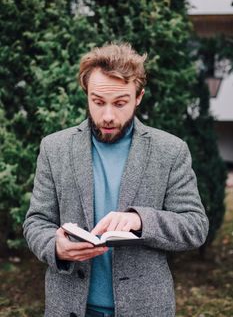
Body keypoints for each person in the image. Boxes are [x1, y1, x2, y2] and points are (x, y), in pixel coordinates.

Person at [23, 43, 209, 317]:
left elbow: (195, 226)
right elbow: (36, 222)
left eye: (120, 103)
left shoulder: (170, 150)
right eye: (98, 102)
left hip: (145, 308)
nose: (108, 115)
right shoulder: (54, 147)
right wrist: (54, 246)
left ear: (138, 97)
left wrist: (141, 220)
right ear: (87, 95)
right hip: (70, 307)